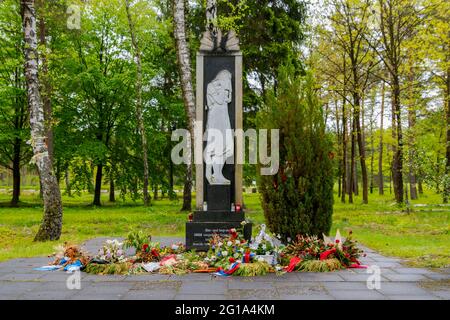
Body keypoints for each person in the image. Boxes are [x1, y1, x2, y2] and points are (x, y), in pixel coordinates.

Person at [204, 70, 233, 185]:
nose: (228, 83)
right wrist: (223, 89)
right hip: (215, 119)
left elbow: (228, 100)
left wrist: (228, 92)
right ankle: (214, 174)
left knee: (227, 147)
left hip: (224, 117)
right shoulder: (211, 86)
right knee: (217, 148)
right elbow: (220, 100)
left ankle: (218, 174)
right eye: (227, 79)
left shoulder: (224, 87)